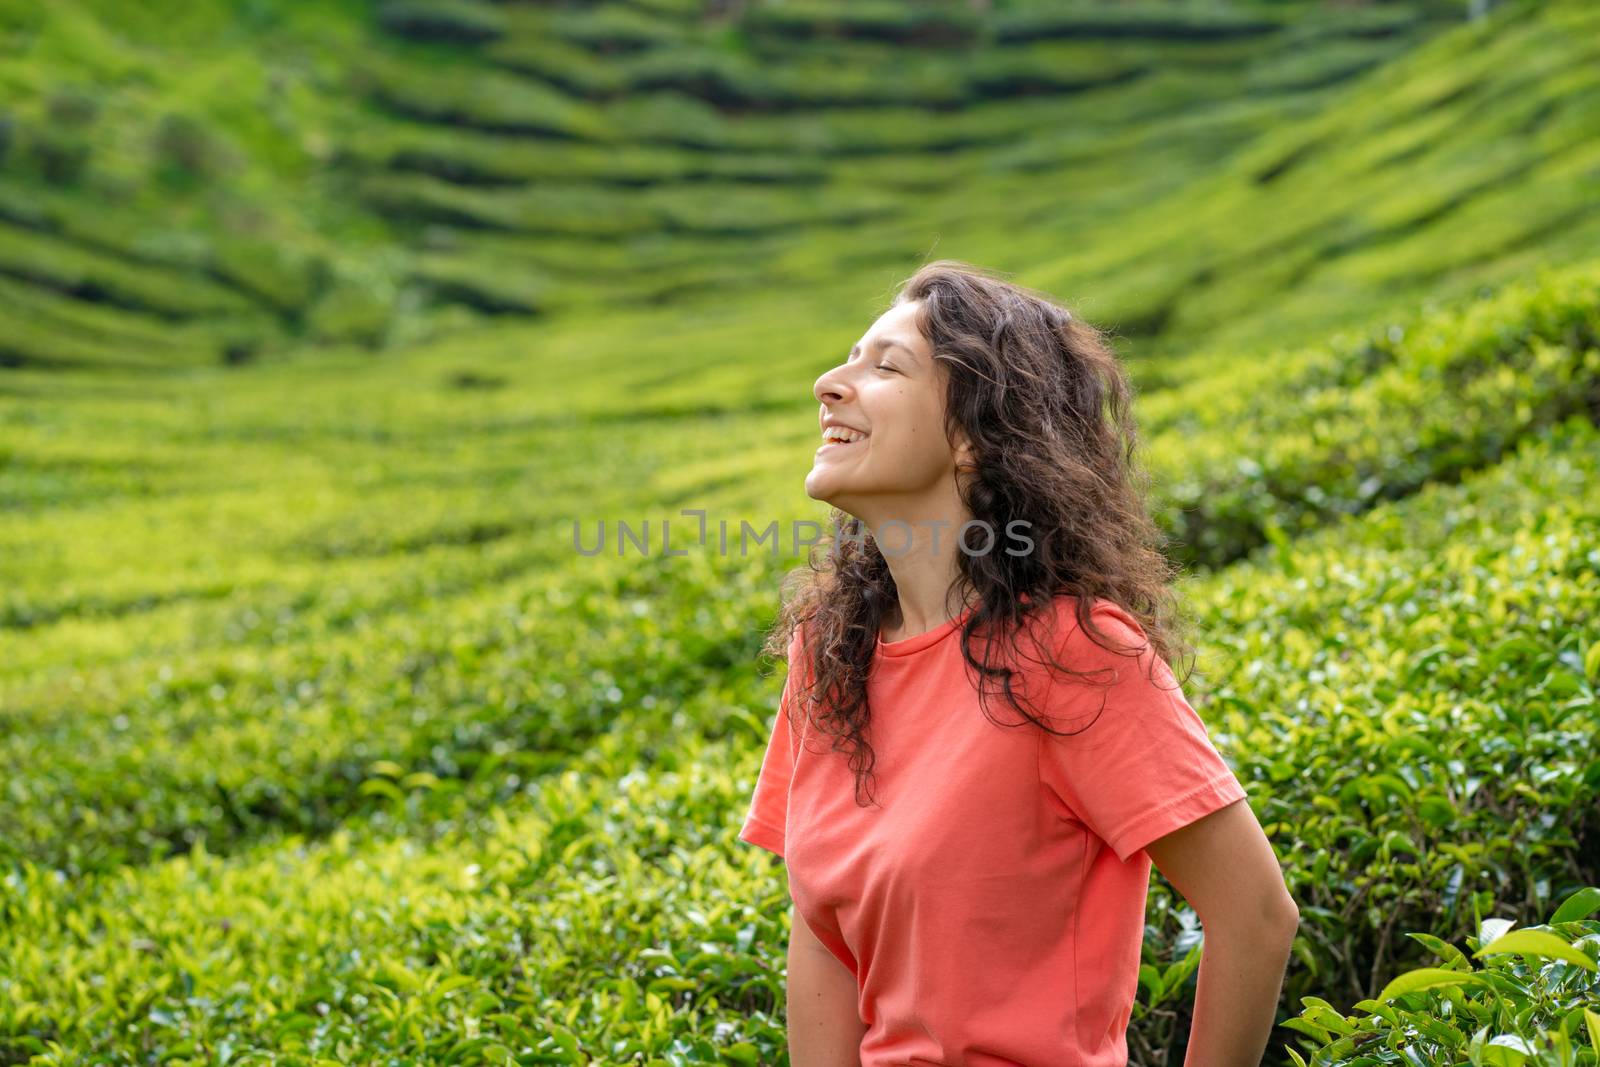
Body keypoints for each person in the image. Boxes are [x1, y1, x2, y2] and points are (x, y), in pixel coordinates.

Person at [738, 260, 1300, 1066]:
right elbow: (823, 930)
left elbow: (1254, 912)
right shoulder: (829, 651)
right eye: (847, 358)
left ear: (972, 436)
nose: (829, 383)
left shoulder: (1074, 651)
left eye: (884, 365)